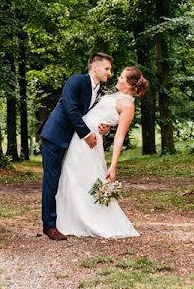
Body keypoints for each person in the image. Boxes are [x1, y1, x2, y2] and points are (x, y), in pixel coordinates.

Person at [55, 66, 148, 239]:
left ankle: (88, 219)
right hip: (83, 134)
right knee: (72, 173)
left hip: (90, 141)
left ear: (130, 84)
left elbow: (119, 137)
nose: (117, 79)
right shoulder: (115, 96)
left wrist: (113, 166)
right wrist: (104, 126)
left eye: (122, 78)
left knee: (82, 176)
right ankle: (71, 219)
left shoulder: (128, 104)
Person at [39, 53, 113, 241]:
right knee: (52, 180)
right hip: (55, 137)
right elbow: (70, 109)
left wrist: (102, 127)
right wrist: (87, 134)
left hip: (72, 142)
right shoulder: (76, 81)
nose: (109, 73)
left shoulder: (99, 92)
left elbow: (91, 116)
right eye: (107, 68)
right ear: (95, 67)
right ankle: (49, 225)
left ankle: (67, 221)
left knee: (68, 180)